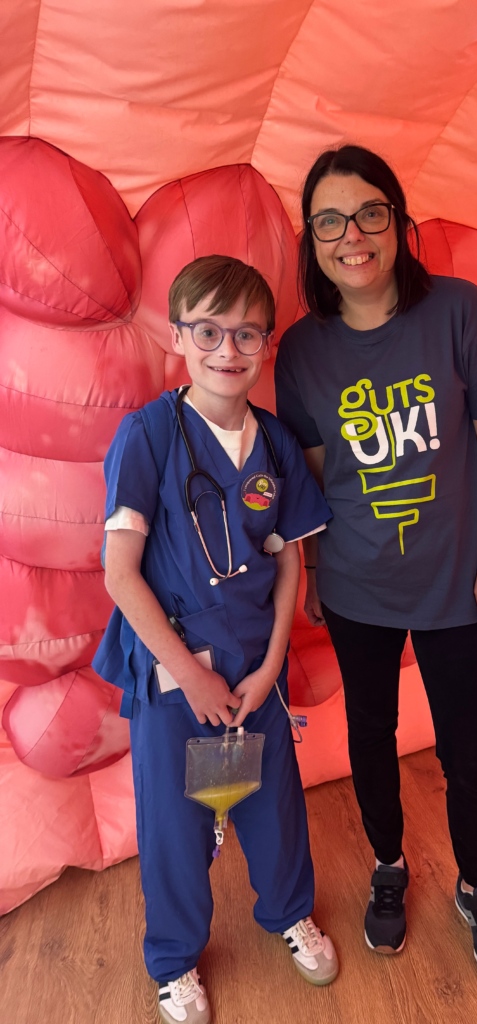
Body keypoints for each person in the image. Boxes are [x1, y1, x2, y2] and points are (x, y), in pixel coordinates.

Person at [275, 146, 477, 978]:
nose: (353, 235)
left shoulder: (459, 311)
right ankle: (390, 868)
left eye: (370, 213)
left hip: (459, 580)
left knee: (467, 749)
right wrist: (314, 575)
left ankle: (476, 884)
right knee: (371, 735)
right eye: (329, 222)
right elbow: (314, 481)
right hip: (356, 584)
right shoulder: (300, 352)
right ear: (312, 243)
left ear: (399, 222)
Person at [94, 256, 339, 1024]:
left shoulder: (272, 440)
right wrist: (192, 678)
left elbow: (291, 556)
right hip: (175, 677)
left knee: (276, 807)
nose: (227, 349)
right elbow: (120, 575)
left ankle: (288, 915)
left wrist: (270, 667)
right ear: (178, 337)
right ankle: (173, 961)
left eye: (246, 334)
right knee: (176, 822)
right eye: (208, 330)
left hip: (254, 664)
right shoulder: (147, 437)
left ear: (266, 344)